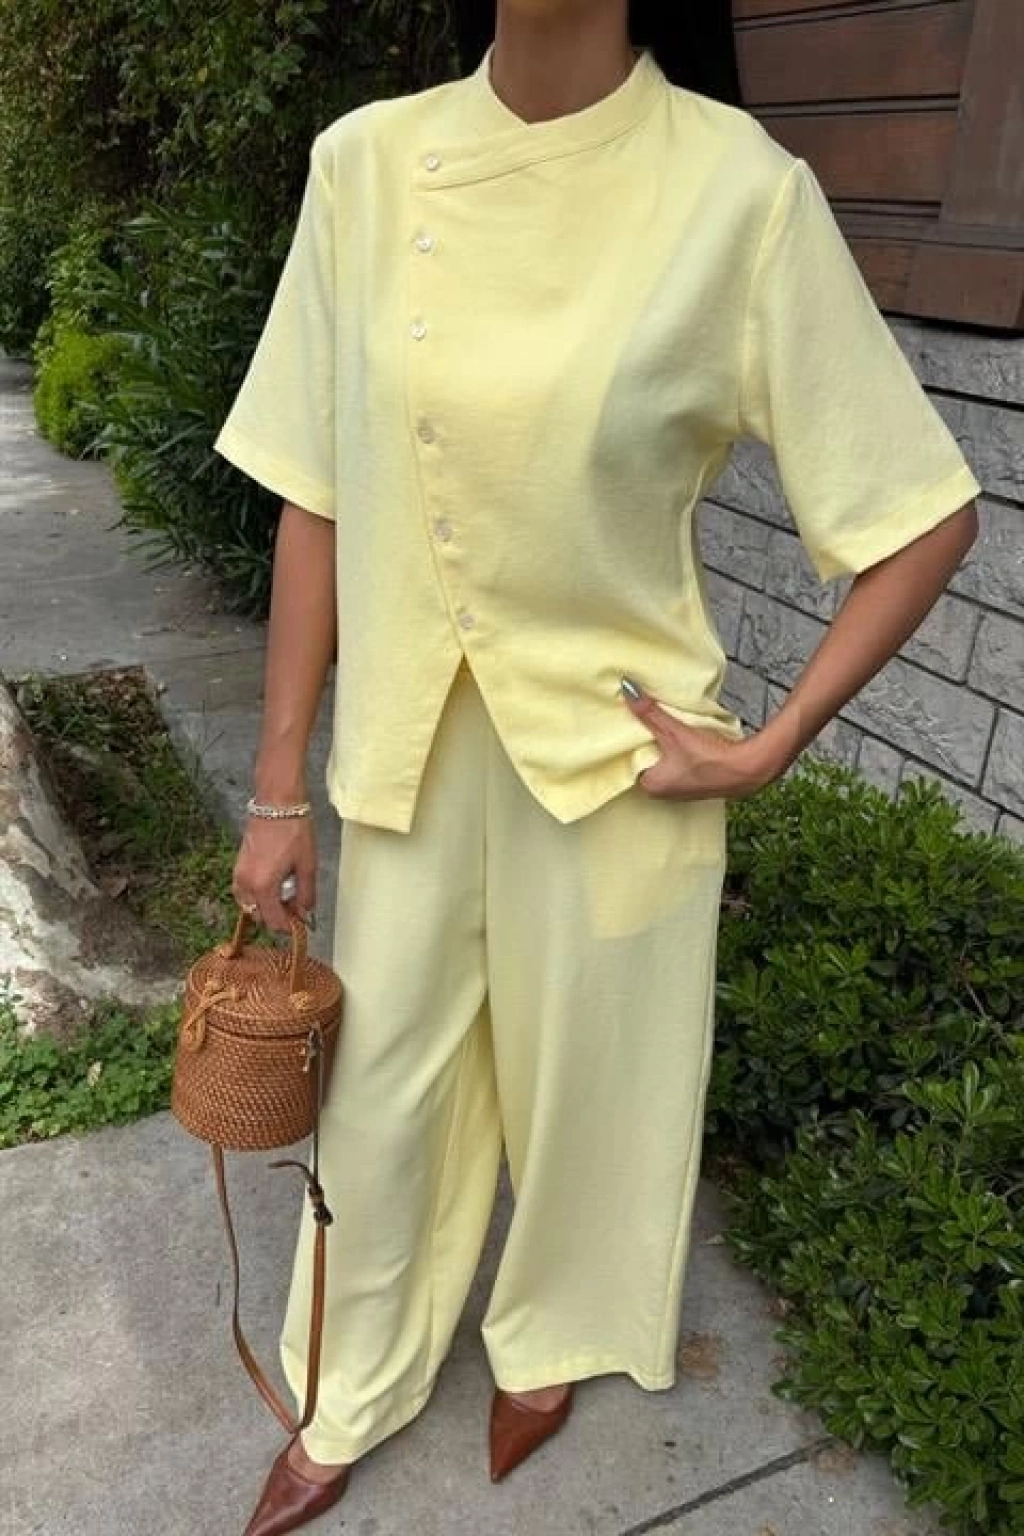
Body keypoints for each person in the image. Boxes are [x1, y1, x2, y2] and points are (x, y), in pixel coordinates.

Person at [214, 2, 982, 1531]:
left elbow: (921, 514)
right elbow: (318, 494)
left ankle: (553, 1338)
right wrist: (278, 787)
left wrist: (771, 744)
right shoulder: (366, 166)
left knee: (598, 1093)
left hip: (625, 763)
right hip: (412, 752)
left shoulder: (737, 191)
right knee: (380, 1097)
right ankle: (346, 1377)